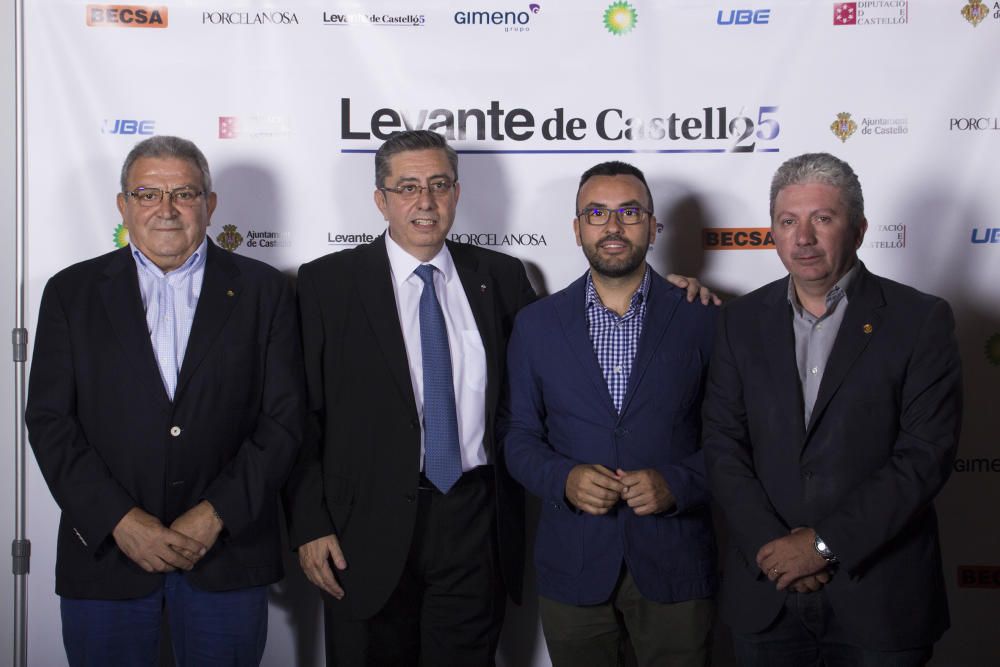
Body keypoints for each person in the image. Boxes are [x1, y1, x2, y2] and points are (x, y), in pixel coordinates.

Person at [283, 131, 711, 666]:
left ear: (457, 193)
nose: (425, 201)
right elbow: (299, 418)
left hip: (474, 521)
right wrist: (310, 524)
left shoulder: (502, 277)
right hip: (361, 529)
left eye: (439, 185)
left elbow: (573, 350)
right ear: (381, 200)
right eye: (408, 187)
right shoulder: (326, 284)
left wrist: (672, 295)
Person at [25, 135, 304, 665]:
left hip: (227, 555)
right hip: (107, 558)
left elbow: (284, 420)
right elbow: (49, 421)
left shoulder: (264, 291)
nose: (167, 209)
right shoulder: (71, 292)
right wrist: (121, 521)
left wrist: (214, 515)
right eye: (149, 194)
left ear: (210, 203)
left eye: (185, 193)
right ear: (123, 205)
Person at [702, 152, 962, 666]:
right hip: (766, 593)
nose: (803, 238)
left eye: (822, 218)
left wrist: (821, 546)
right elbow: (721, 444)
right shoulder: (738, 322)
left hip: (881, 596)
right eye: (788, 221)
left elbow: (924, 456)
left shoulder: (920, 320)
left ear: (860, 229)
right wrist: (774, 549)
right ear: (772, 232)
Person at [502, 161, 718, 667]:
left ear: (653, 224)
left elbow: (736, 437)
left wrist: (679, 483)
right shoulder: (536, 325)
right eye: (597, 213)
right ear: (577, 229)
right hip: (573, 565)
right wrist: (564, 478)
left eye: (629, 212)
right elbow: (517, 435)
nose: (614, 226)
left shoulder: (704, 317)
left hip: (677, 563)